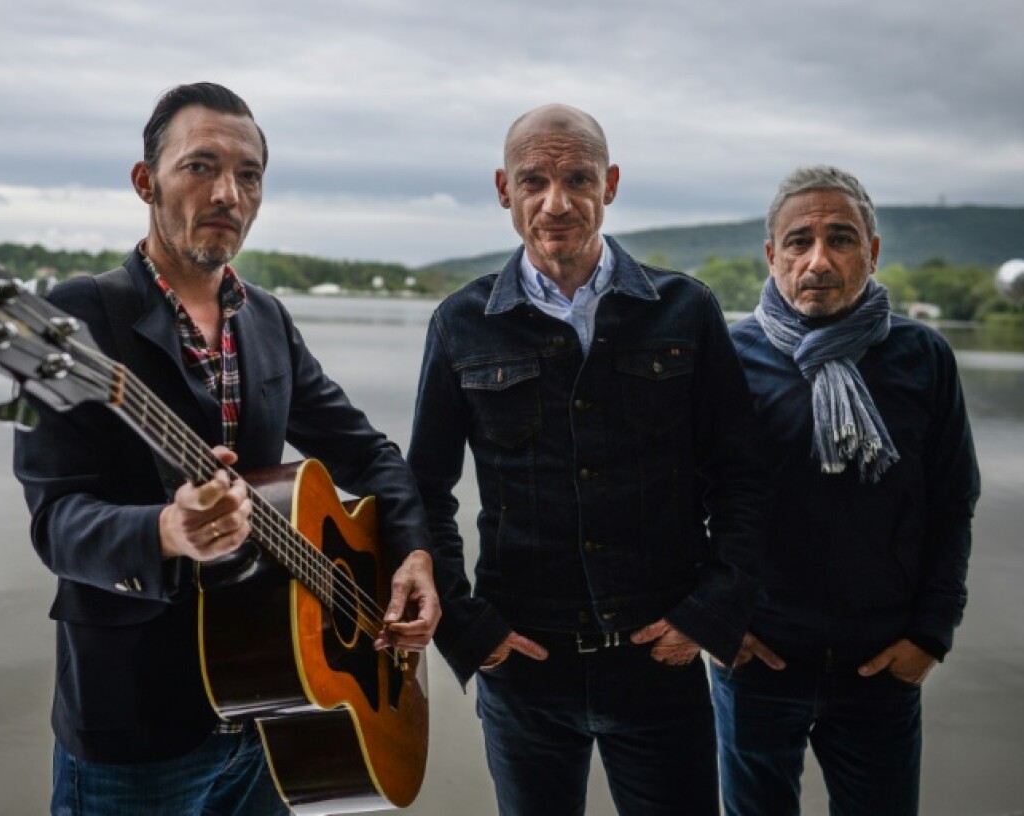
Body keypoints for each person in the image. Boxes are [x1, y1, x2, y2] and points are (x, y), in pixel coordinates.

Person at [13, 82, 439, 815]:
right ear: (145, 182)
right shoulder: (75, 320)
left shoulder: (265, 319)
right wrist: (164, 531)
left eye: (248, 175)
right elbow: (56, 520)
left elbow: (368, 454)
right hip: (140, 724)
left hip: (279, 711)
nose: (228, 194)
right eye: (200, 167)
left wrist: (412, 555)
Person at [406, 103, 766, 815]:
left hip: (660, 659)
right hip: (523, 666)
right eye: (533, 180)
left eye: (578, 178)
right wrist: (470, 629)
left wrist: (711, 611)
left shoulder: (685, 311)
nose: (556, 203)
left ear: (613, 184)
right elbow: (423, 490)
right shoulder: (460, 322)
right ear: (504, 189)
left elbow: (743, 477)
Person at [711, 165, 981, 816]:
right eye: (799, 241)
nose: (819, 260)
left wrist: (930, 636)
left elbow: (952, 502)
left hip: (881, 666)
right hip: (759, 661)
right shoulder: (725, 355)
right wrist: (717, 619)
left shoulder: (923, 357)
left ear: (874, 252)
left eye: (842, 238)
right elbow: (677, 500)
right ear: (772, 256)